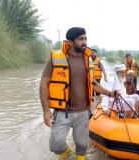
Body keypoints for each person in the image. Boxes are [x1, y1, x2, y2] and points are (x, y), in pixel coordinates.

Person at [39, 27, 117, 160]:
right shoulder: (55, 58)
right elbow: (43, 84)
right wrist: (46, 111)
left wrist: (109, 93)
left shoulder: (88, 60)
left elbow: (93, 84)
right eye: (80, 39)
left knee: (82, 147)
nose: (84, 41)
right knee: (55, 145)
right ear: (69, 41)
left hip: (83, 112)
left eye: (85, 38)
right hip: (63, 111)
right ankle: (67, 153)